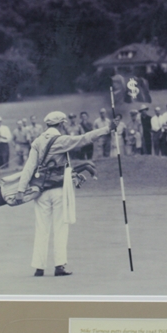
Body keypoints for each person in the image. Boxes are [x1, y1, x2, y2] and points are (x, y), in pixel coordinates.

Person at [15, 111, 117, 277]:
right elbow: (84, 139)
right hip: (58, 189)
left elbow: (29, 167)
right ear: (61, 124)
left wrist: (20, 190)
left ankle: (39, 267)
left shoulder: (37, 141)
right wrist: (107, 129)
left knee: (41, 229)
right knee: (60, 228)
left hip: (39, 191)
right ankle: (59, 266)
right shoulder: (61, 140)